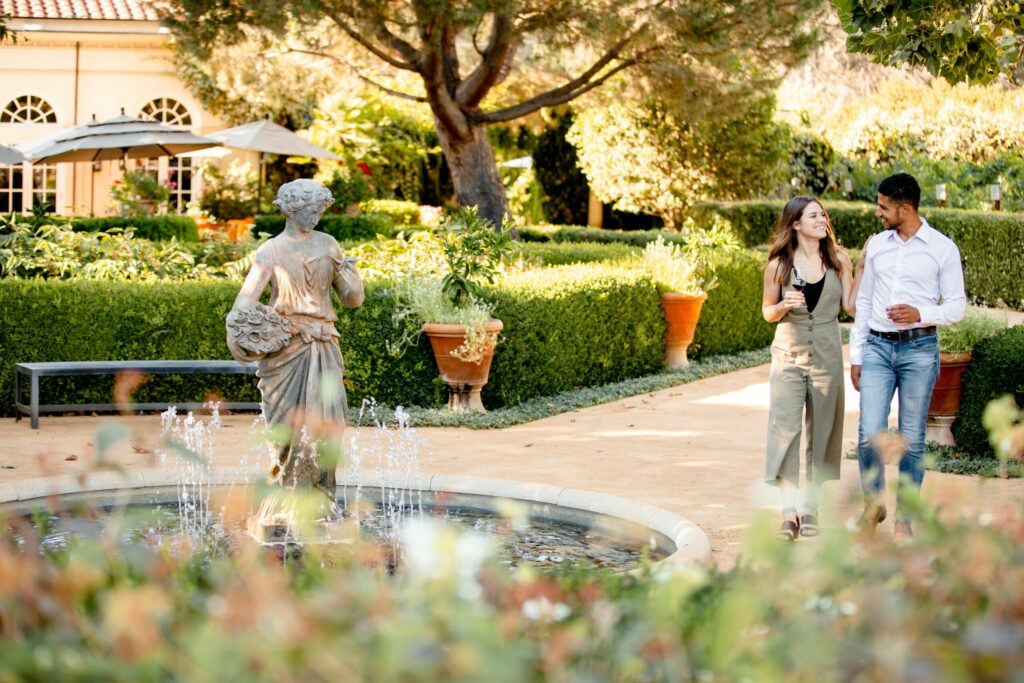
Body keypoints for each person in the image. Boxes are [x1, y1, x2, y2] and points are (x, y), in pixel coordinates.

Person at [226, 179, 364, 516]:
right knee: (286, 429)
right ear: (290, 210)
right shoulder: (270, 251)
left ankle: (321, 497)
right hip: (286, 350)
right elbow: (246, 300)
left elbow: (352, 301)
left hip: (324, 343)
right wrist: (237, 331)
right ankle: (286, 497)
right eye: (309, 211)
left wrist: (353, 279)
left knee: (329, 423)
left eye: (319, 210)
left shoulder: (329, 245)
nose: (315, 216)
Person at [849, 172, 965, 541]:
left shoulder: (942, 248)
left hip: (919, 350)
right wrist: (857, 353)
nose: (878, 213)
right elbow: (865, 301)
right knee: (869, 432)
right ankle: (874, 504)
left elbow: (957, 305)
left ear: (906, 207)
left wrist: (921, 313)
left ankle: (905, 520)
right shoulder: (878, 245)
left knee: (912, 438)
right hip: (878, 349)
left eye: (884, 207)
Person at [762, 196, 858, 541]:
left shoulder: (838, 259)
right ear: (796, 224)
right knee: (785, 429)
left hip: (828, 356)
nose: (822, 219)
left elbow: (850, 308)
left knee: (822, 431)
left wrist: (857, 272)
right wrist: (783, 305)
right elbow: (767, 312)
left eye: (823, 215)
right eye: (813, 215)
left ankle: (811, 507)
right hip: (788, 355)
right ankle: (789, 512)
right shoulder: (778, 265)